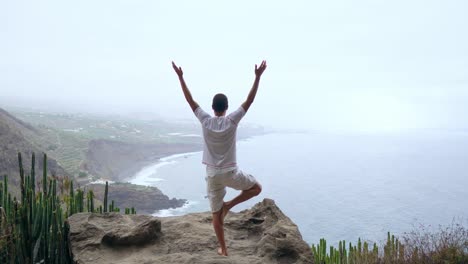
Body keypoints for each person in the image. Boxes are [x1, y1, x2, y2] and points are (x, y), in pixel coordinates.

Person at [172, 60, 267, 256]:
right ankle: (229, 205)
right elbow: (249, 101)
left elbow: (190, 102)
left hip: (213, 174)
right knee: (257, 188)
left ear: (212, 107)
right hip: (231, 172)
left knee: (216, 215)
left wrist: (181, 78)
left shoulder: (205, 121)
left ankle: (223, 249)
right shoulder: (232, 121)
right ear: (227, 107)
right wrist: (257, 77)